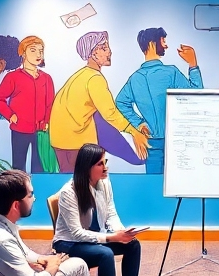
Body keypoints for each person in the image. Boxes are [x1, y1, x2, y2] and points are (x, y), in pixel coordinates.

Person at [52, 143, 153, 276]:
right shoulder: (69, 192)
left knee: (133, 244)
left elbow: (110, 213)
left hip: (96, 237)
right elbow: (76, 233)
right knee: (105, 254)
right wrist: (113, 238)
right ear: (86, 167)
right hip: (69, 243)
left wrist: (122, 233)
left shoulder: (104, 182)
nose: (105, 167)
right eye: (100, 164)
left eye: (105, 162)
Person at [49, 30, 149, 174]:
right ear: (92, 53)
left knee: (71, 181)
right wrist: (134, 132)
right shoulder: (94, 78)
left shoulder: (81, 75)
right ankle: (136, 158)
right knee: (80, 182)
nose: (109, 52)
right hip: (75, 142)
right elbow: (110, 113)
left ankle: (134, 157)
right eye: (104, 48)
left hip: (61, 140)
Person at [115, 26, 203, 175]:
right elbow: (197, 95)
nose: (166, 46)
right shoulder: (170, 72)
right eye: (163, 41)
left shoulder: (135, 78)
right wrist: (193, 64)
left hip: (153, 142)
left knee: (154, 182)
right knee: (177, 182)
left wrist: (139, 123)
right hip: (176, 141)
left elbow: (120, 103)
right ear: (152, 43)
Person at [0, 35, 58, 174]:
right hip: (20, 128)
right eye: (33, 50)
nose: (38, 54)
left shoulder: (46, 78)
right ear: (23, 53)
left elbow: (50, 104)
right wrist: (10, 115)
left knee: (39, 166)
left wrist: (46, 122)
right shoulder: (13, 77)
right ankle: (19, 188)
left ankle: (38, 187)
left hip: (40, 131)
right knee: (18, 165)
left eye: (41, 51)